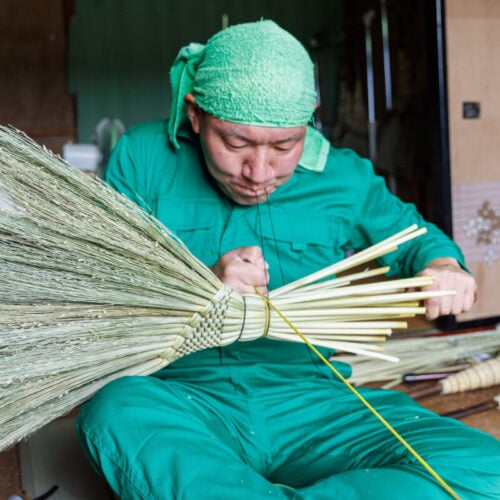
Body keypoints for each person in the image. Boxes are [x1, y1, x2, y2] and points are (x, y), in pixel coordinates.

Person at [76, 20, 499, 499]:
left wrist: (442, 264)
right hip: (182, 396)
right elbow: (104, 292)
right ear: (195, 114)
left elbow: (417, 239)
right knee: (113, 411)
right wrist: (203, 286)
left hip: (313, 404)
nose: (259, 172)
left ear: (310, 120)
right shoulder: (143, 157)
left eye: (284, 146)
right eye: (235, 143)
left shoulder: (342, 177)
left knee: (486, 468)